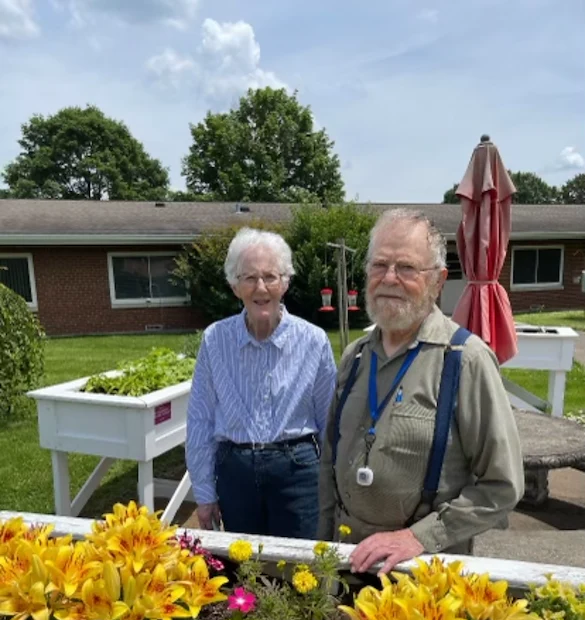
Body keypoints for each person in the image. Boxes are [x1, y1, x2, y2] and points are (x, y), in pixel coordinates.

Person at [318, 208, 524, 575]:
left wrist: (418, 538)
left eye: (407, 268)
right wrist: (322, 557)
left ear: (438, 280)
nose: (389, 278)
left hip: (424, 575)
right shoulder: (355, 357)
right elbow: (328, 466)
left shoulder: (465, 360)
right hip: (347, 566)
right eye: (379, 265)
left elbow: (502, 486)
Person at [186, 227, 337, 539]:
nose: (261, 287)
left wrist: (334, 489)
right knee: (244, 571)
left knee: (302, 570)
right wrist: (204, 493)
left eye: (270, 276)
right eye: (249, 277)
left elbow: (330, 422)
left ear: (285, 282)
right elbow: (200, 419)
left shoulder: (313, 341)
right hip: (235, 472)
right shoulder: (215, 339)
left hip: (299, 472)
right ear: (234, 285)